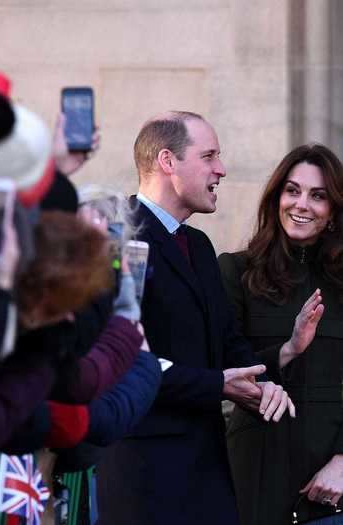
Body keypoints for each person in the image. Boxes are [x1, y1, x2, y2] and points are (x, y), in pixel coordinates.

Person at [97, 111, 296, 525]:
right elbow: (124, 361)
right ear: (168, 161)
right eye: (209, 156)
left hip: (208, 474)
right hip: (145, 479)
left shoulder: (200, 245)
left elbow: (227, 340)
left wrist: (261, 385)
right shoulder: (117, 237)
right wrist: (217, 384)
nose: (221, 169)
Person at [219, 143, 342, 525]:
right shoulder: (235, 272)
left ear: (334, 211)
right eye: (292, 190)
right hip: (254, 480)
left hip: (331, 488)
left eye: (318, 196)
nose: (301, 204)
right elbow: (223, 367)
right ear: (277, 198)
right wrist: (287, 349)